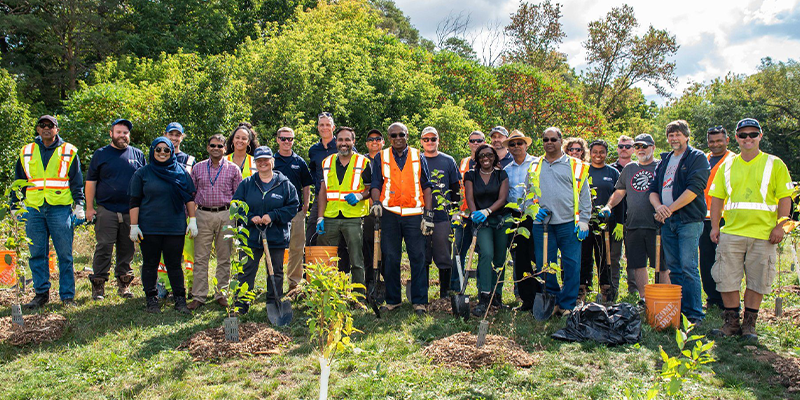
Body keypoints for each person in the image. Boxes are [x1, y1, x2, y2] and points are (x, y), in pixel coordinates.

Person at [709, 118, 793, 341]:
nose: (748, 139)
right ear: (736, 138)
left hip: (764, 234)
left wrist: (780, 226)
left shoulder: (774, 164)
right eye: (743, 135)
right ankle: (731, 323)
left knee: (758, 280)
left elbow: (785, 198)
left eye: (752, 134)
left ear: (760, 136)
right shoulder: (726, 165)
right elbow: (717, 198)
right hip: (732, 232)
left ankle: (749, 325)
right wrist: (715, 226)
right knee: (726, 278)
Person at [13, 115, 85, 309]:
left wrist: (79, 203)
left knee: (65, 255)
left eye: (50, 126)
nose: (46, 129)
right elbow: (18, 180)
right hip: (33, 208)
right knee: (37, 253)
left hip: (59, 208)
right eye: (42, 126)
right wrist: (15, 207)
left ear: (57, 129)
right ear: (38, 130)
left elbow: (76, 179)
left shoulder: (69, 151)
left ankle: (67, 295)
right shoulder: (27, 151)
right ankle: (41, 294)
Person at [649, 120, 710, 324]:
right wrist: (659, 208)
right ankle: (680, 309)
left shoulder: (697, 158)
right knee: (674, 267)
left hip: (688, 220)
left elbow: (694, 189)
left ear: (686, 136)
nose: (674, 138)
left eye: (677, 134)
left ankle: (694, 314)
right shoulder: (664, 161)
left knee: (688, 266)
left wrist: (668, 209)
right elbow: (653, 191)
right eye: (670, 135)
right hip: (667, 221)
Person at [370, 122, 434, 316]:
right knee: (390, 257)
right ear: (389, 138)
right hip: (389, 214)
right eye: (394, 135)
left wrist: (428, 214)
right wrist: (376, 202)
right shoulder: (381, 157)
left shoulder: (418, 156)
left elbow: (427, 186)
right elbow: (376, 183)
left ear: (407, 136)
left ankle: (420, 301)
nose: (398, 138)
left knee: (418, 257)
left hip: (414, 214)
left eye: (401, 135)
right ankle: (393, 300)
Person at [129, 137, 197, 314]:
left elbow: (189, 198)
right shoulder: (142, 173)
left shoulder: (180, 172)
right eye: (158, 150)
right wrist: (133, 225)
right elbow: (134, 201)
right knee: (150, 264)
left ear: (171, 152)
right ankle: (151, 300)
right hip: (149, 227)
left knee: (174, 264)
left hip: (174, 227)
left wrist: (193, 220)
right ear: (152, 151)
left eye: (166, 150)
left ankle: (180, 300)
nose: (162, 153)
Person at [528, 127, 591, 317]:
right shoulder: (535, 165)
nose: (549, 142)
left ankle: (568, 303)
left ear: (560, 140)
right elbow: (527, 196)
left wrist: (584, 221)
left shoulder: (575, 165)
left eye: (553, 139)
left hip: (569, 224)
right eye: (545, 139)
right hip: (543, 225)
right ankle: (553, 299)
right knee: (545, 264)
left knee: (572, 264)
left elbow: (584, 196)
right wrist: (533, 210)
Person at [232, 146, 299, 314]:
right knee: (246, 269)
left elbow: (293, 206)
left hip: (276, 235)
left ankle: (273, 301)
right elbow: (236, 205)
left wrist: (274, 215)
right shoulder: (247, 183)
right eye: (259, 160)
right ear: (255, 163)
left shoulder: (284, 184)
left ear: (272, 161)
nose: (263, 163)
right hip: (251, 235)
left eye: (266, 160)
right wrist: (250, 217)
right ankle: (242, 302)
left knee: (276, 271)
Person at [601, 134, 666, 300]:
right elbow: (620, 192)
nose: (641, 149)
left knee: (662, 265)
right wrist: (609, 206)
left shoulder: (661, 166)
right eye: (637, 146)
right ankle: (644, 298)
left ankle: (664, 298)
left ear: (653, 146)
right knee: (637, 263)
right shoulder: (629, 168)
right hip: (634, 224)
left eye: (644, 146)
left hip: (658, 224)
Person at [87, 118, 145, 300]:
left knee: (127, 247)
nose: (122, 135)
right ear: (111, 134)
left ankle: (124, 284)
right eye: (119, 132)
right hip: (107, 209)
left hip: (131, 210)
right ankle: (99, 285)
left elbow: (144, 182)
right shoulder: (101, 154)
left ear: (129, 135)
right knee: (104, 246)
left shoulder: (137, 154)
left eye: (125, 132)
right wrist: (89, 207)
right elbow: (91, 182)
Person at [187, 134, 242, 310]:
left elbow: (238, 197)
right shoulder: (198, 168)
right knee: (200, 257)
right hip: (203, 214)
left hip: (226, 214)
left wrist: (237, 219)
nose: (216, 148)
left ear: (225, 148)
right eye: (213, 145)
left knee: (224, 256)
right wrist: (192, 218)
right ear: (208, 147)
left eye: (220, 146)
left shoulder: (233, 169)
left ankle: (222, 293)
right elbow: (192, 194)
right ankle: (199, 295)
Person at [316, 127, 372, 288]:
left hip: (353, 218)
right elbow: (323, 191)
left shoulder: (363, 162)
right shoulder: (326, 162)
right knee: (327, 259)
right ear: (336, 142)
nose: (344, 143)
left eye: (347, 140)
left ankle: (358, 296)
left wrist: (360, 196)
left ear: (353, 142)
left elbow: (370, 188)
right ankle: (329, 293)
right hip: (331, 217)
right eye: (340, 140)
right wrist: (320, 217)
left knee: (356, 260)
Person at [466, 144, 510, 316]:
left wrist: (488, 211)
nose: (486, 158)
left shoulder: (501, 174)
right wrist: (475, 213)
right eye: (482, 155)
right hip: (481, 222)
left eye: (490, 155)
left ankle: (496, 295)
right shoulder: (471, 175)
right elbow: (469, 197)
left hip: (499, 220)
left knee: (499, 258)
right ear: (477, 158)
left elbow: (503, 198)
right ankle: (484, 295)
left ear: (495, 157)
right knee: (487, 254)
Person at [306, 112, 350, 272]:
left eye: (327, 125)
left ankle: (342, 278)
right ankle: (311, 278)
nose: (324, 128)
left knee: (343, 241)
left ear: (333, 127)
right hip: (321, 199)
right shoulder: (314, 150)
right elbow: (313, 172)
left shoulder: (342, 146)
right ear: (318, 127)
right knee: (312, 233)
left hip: (342, 200)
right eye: (321, 125)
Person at [419, 127, 461, 299]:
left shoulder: (448, 161)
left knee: (443, 253)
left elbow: (455, 188)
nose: (430, 142)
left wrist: (456, 211)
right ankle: (423, 293)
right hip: (419, 215)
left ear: (438, 140)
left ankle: (444, 292)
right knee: (422, 254)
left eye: (433, 139)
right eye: (426, 139)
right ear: (421, 141)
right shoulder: (415, 159)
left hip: (442, 216)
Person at [158, 122, 197, 298]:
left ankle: (191, 286)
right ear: (165, 135)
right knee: (164, 254)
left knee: (189, 254)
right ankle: (165, 286)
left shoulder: (190, 160)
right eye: (171, 134)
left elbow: (194, 188)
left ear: (182, 137)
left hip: (184, 212)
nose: (174, 138)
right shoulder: (157, 156)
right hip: (162, 213)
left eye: (177, 135)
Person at [273, 127, 313, 293]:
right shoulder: (272, 160)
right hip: (276, 212)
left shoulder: (299, 162)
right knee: (276, 249)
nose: (287, 142)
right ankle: (274, 284)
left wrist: (306, 205)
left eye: (290, 139)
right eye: (283, 139)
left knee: (296, 248)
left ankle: (294, 284)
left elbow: (306, 185)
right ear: (277, 140)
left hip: (296, 211)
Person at [700, 126, 735, 310]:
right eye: (712, 141)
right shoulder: (704, 159)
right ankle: (712, 297)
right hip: (703, 216)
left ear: (727, 140)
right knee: (706, 258)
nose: (715, 144)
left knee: (724, 259)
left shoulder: (733, 160)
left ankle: (726, 299)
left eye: (719, 141)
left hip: (724, 217)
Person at [503, 130, 538, 311]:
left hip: (534, 215)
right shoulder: (506, 170)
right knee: (520, 257)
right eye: (512, 144)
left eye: (519, 143)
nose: (516, 147)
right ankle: (527, 299)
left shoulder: (537, 164)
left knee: (537, 255)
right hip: (516, 217)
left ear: (526, 145)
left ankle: (543, 294)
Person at [580, 140, 620, 303]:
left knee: (604, 256)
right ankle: (581, 289)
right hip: (584, 221)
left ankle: (606, 289)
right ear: (590, 152)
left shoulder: (613, 173)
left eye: (602, 152)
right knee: (583, 256)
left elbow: (619, 196)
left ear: (606, 153)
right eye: (595, 151)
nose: (598, 155)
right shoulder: (583, 170)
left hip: (605, 221)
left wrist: (618, 220)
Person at [451, 130, 485, 292]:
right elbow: (459, 187)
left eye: (479, 141)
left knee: (484, 253)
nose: (475, 143)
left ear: (484, 142)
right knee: (458, 251)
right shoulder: (464, 162)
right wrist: (457, 210)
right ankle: (456, 287)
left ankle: (482, 287)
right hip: (464, 215)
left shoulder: (489, 160)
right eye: (472, 141)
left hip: (482, 216)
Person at [610, 135, 633, 297]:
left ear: (633, 149)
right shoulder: (611, 169)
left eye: (627, 146)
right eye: (621, 146)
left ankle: (634, 288)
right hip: (616, 220)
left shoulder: (639, 167)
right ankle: (612, 288)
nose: (624, 149)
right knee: (614, 256)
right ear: (617, 149)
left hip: (635, 218)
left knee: (633, 256)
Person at [362, 128, 385, 287]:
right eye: (371, 139)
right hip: (367, 211)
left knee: (386, 247)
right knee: (368, 245)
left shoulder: (389, 159)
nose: (374, 142)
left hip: (387, 210)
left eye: (378, 139)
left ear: (383, 142)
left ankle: (386, 277)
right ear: (366, 144)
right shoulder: (361, 161)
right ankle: (370, 279)